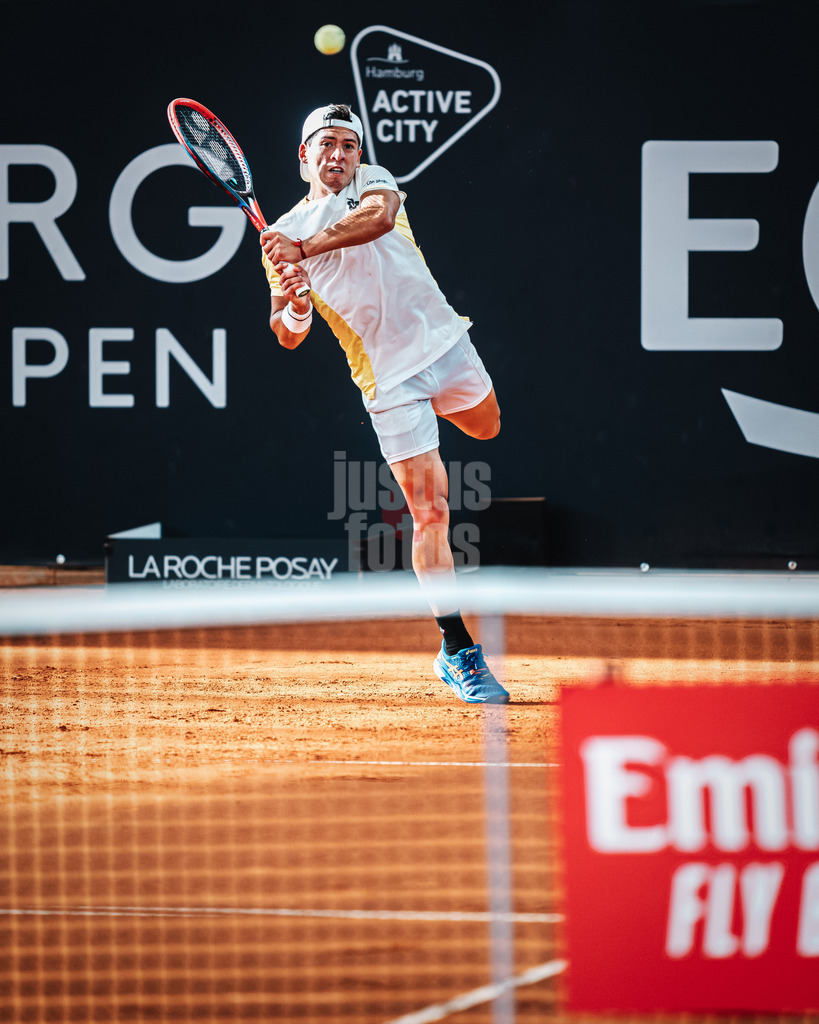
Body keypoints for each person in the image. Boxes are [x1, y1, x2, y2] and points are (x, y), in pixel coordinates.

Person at [260, 104, 508, 705]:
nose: (339, 155)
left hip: (445, 342)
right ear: (305, 156)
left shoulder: (376, 183)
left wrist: (305, 247)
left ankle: (441, 419)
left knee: (487, 428)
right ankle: (457, 649)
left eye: (349, 144)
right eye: (326, 145)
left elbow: (377, 221)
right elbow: (288, 333)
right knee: (431, 512)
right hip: (388, 381)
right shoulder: (280, 235)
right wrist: (295, 299)